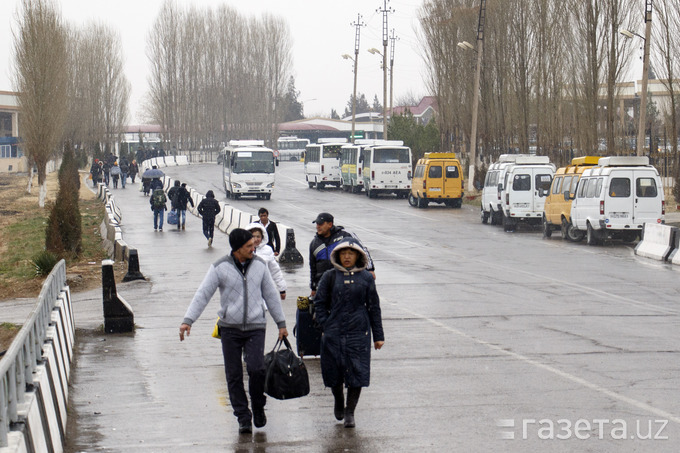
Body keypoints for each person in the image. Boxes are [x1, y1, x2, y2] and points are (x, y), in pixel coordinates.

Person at [179, 229, 288, 434]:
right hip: (230, 328)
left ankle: (258, 405)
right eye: (248, 246)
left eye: (253, 245)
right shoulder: (220, 267)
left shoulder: (260, 266)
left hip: (256, 326)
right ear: (237, 249)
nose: (253, 248)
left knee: (257, 369)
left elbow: (271, 295)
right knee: (234, 375)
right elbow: (203, 294)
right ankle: (243, 417)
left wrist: (281, 324)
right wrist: (188, 320)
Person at [313, 238, 384, 428]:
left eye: (350, 254)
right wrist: (325, 324)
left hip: (358, 332)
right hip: (333, 332)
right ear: (337, 255)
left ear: (357, 256)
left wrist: (378, 336)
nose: (346, 257)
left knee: (357, 371)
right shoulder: (329, 277)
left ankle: (350, 411)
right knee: (333, 370)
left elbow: (374, 307)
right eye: (343, 253)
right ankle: (338, 399)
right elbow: (319, 303)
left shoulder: (366, 278)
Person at [309, 212, 374, 298]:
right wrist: (313, 288)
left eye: (320, 224)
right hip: (323, 285)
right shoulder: (314, 243)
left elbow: (363, 250)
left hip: (344, 282)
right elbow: (313, 267)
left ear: (330, 224)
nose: (318, 226)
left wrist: (370, 269)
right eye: (317, 224)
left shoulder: (345, 235)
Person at [247, 223, 286, 300]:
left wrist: (282, 289)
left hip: (264, 291)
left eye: (258, 236)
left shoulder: (267, 250)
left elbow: (275, 270)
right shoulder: (243, 250)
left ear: (262, 237)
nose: (256, 239)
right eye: (253, 236)